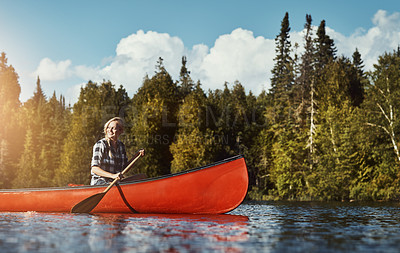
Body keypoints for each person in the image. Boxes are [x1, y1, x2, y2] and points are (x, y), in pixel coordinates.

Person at [90, 117, 144, 185]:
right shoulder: (101, 144)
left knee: (142, 177)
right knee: (110, 184)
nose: (110, 130)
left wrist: (136, 156)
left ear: (120, 131)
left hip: (115, 182)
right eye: (108, 127)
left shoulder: (121, 146)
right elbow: (94, 169)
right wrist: (112, 175)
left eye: (113, 128)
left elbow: (125, 168)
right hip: (101, 182)